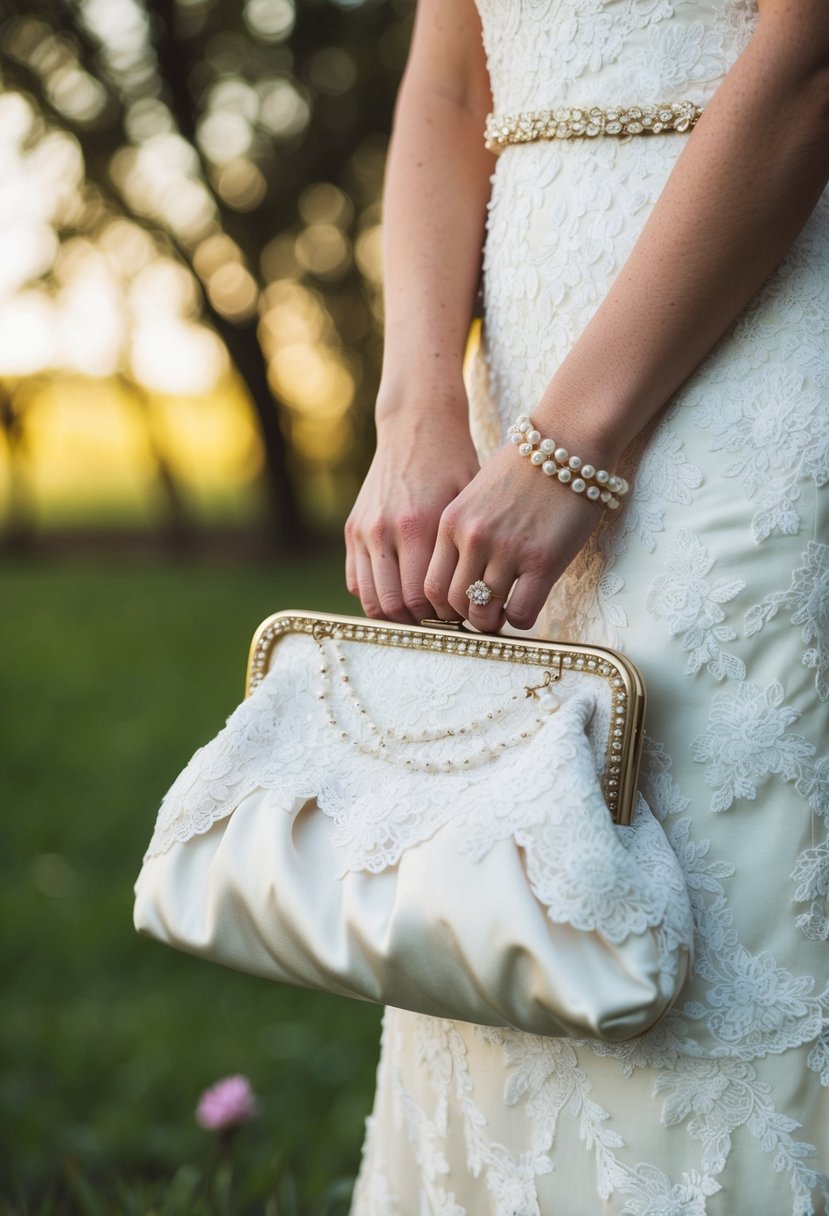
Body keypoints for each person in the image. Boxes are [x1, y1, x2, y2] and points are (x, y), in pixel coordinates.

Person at [344, 1, 829, 1212]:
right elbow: (449, 88)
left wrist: (573, 445)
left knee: (723, 871)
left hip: (748, 333)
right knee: (504, 876)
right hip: (516, 342)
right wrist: (414, 414)